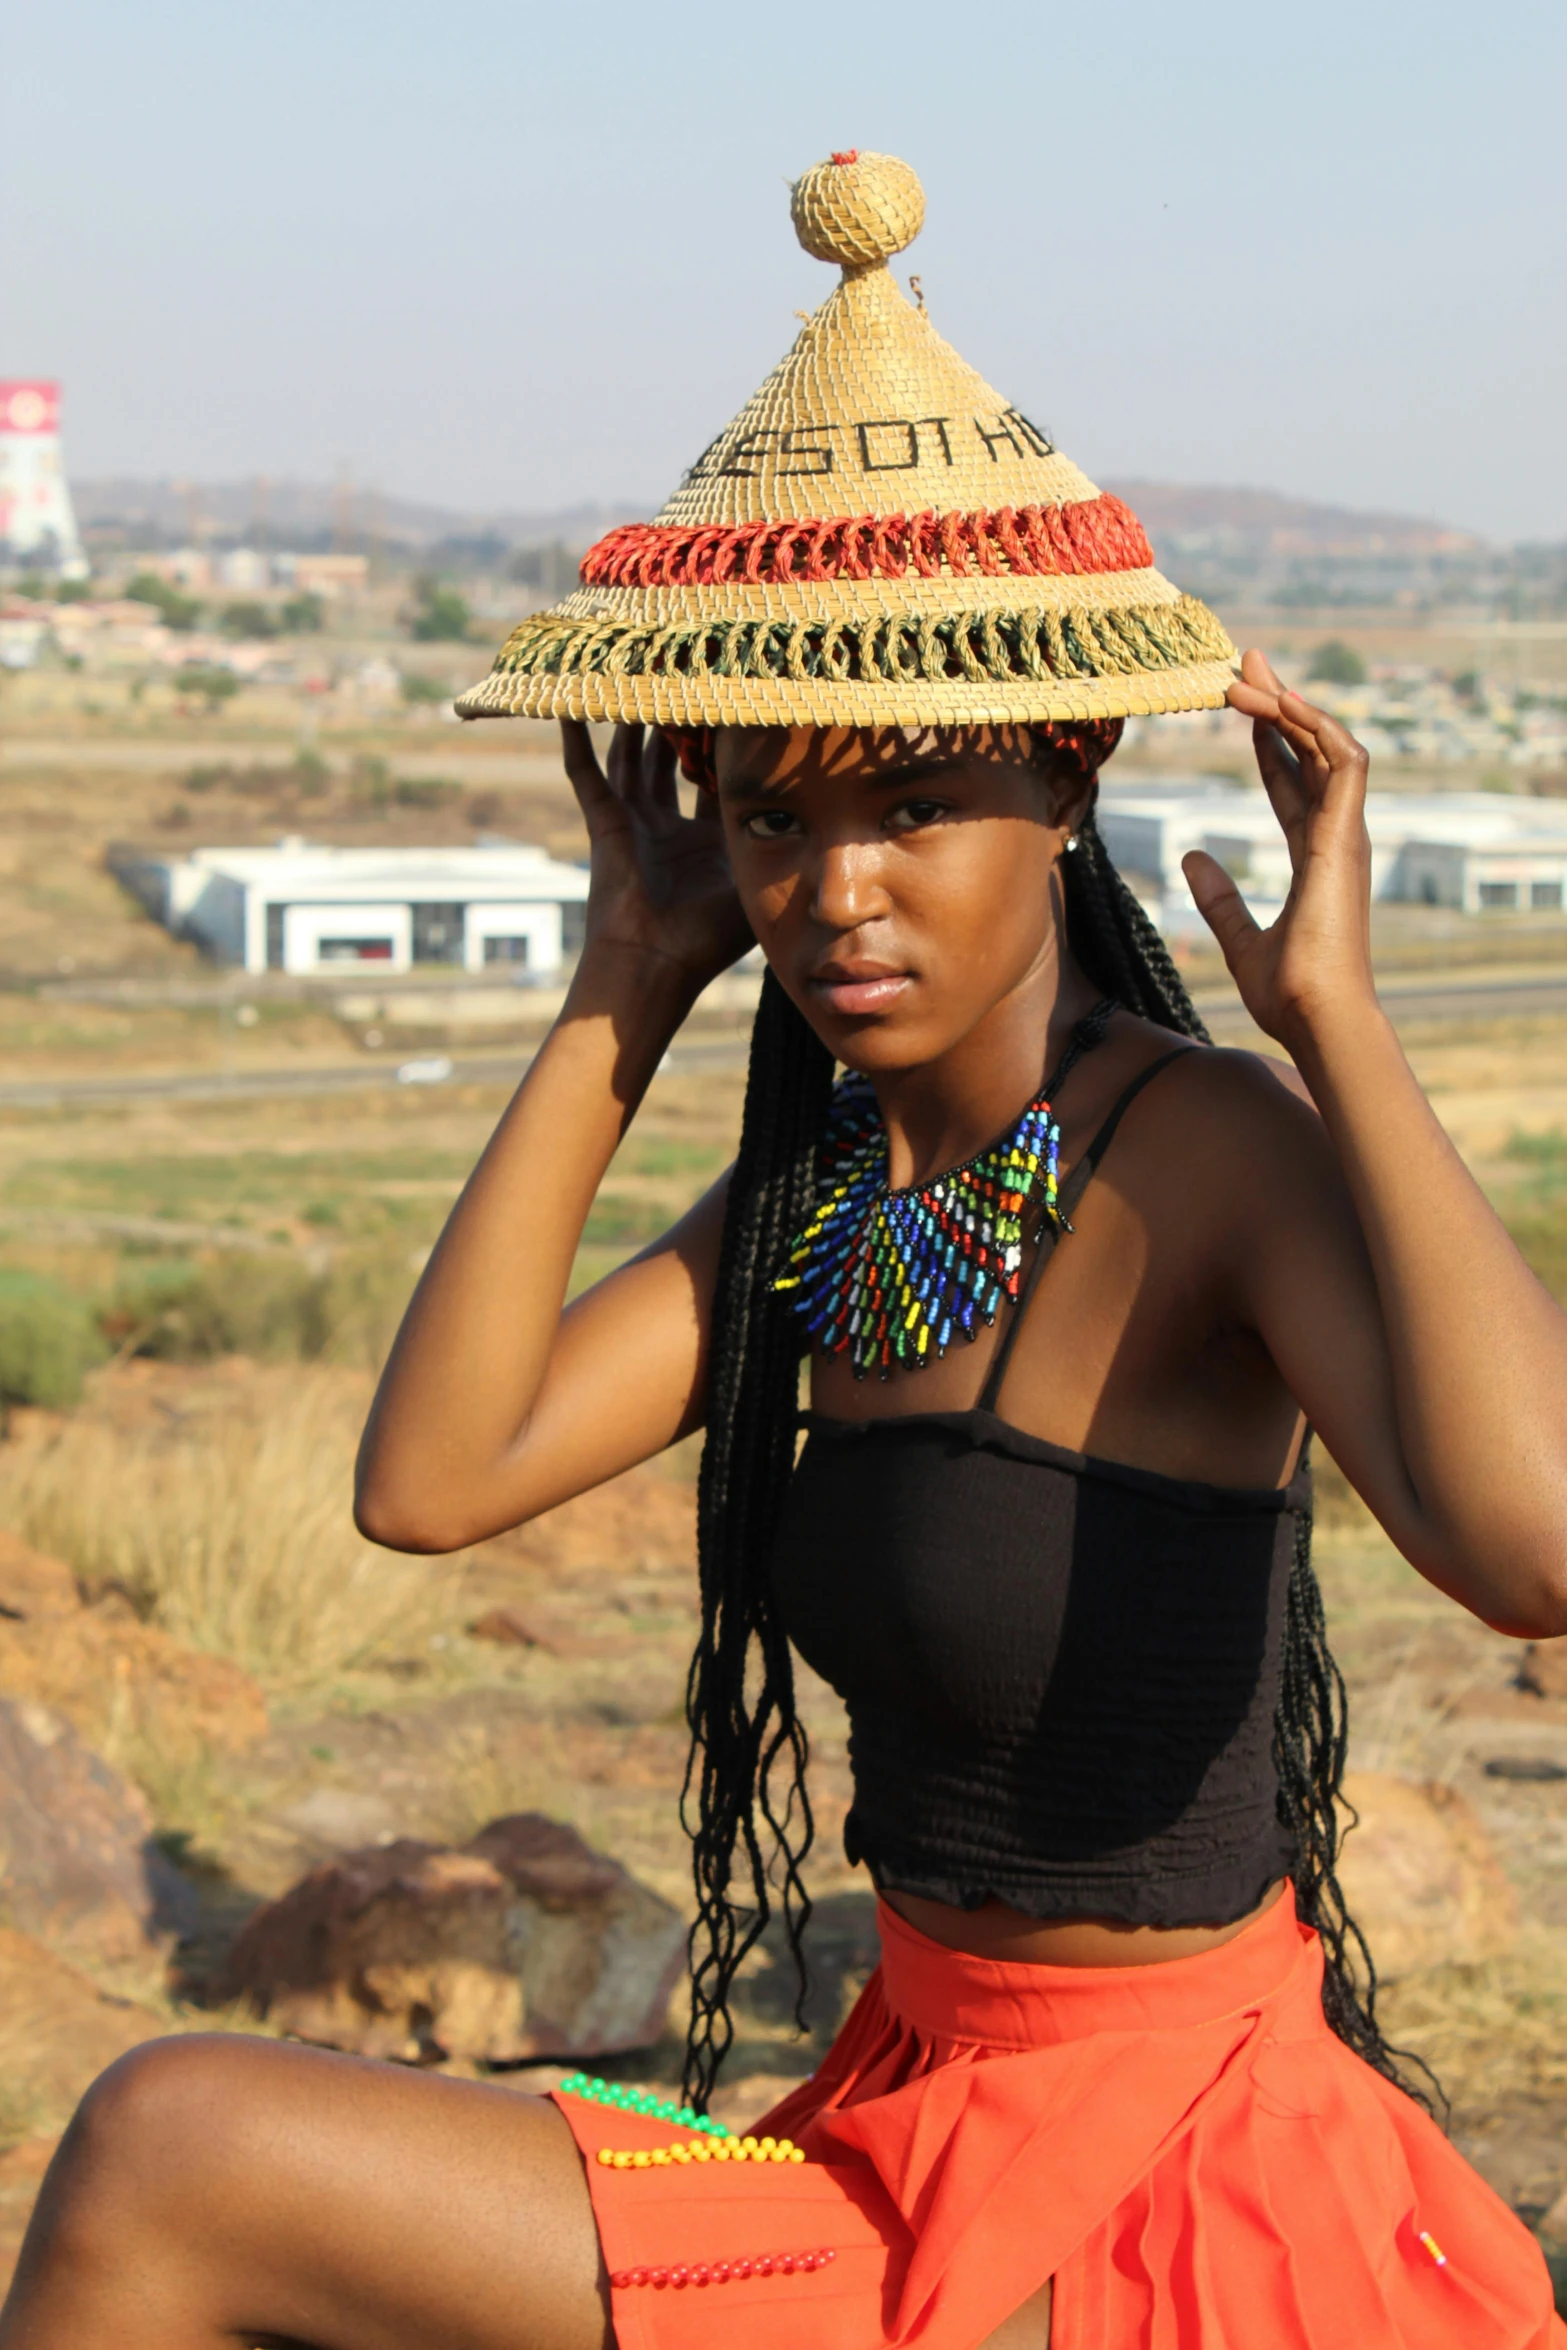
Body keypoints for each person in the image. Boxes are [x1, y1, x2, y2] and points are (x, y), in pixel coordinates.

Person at [4, 151, 1565, 2350]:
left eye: (913, 803)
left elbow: (1542, 1547)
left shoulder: (1202, 1150)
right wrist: (620, 993)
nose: (840, 887)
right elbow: (430, 1484)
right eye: (777, 813)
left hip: (1165, 2175)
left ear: (1065, 774)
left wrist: (1346, 1029)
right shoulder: (825, 1196)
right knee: (161, 2155)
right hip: (894, 2135)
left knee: (169, 2150)